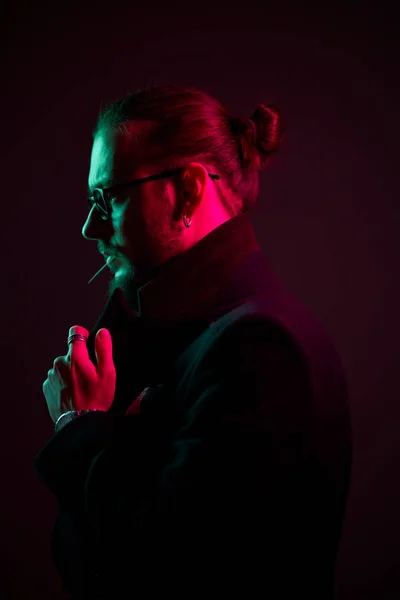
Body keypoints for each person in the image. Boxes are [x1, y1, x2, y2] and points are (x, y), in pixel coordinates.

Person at [36, 84, 352, 599]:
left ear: (186, 191)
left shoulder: (260, 350)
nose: (89, 226)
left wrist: (79, 426)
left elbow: (166, 566)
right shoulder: (178, 332)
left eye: (108, 196)